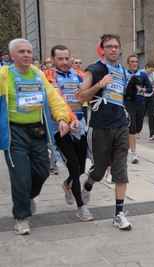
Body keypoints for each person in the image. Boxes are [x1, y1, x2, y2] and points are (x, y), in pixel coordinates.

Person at [0, 38, 70, 235]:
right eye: (21, 52)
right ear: (12, 56)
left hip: (37, 131)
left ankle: (28, 196)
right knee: (20, 177)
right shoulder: (4, 76)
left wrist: (63, 118)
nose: (26, 55)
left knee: (42, 171)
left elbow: (54, 98)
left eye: (29, 51)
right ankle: (21, 217)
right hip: (14, 134)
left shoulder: (38, 75)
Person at [76, 33, 132, 230]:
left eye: (116, 46)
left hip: (121, 125)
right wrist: (99, 85)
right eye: (109, 46)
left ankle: (118, 213)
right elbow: (81, 96)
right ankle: (89, 184)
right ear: (102, 49)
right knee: (99, 170)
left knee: (120, 169)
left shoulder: (123, 71)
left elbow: (122, 95)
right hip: (100, 127)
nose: (113, 50)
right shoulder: (94, 69)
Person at [44, 44, 93, 222]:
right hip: (60, 127)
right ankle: (81, 207)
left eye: (67, 58)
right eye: (60, 59)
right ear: (52, 60)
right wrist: (67, 117)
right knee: (73, 165)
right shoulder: (49, 75)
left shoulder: (79, 74)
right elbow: (55, 99)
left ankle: (67, 184)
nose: (65, 62)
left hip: (78, 125)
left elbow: (89, 95)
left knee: (80, 168)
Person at [124, 55, 153, 164]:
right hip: (128, 103)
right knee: (132, 128)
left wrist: (142, 89)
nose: (135, 63)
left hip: (140, 103)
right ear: (128, 63)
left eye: (136, 61)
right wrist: (127, 89)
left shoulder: (142, 74)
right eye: (132, 61)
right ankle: (134, 154)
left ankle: (126, 140)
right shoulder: (124, 73)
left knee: (138, 128)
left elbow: (150, 88)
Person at [142, 61, 154, 140]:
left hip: (150, 95)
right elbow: (143, 85)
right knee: (141, 115)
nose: (151, 72)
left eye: (153, 70)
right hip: (143, 96)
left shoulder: (152, 74)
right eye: (150, 70)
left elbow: (153, 83)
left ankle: (153, 133)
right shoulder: (142, 73)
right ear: (147, 67)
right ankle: (136, 131)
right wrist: (152, 89)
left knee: (151, 115)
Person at [71, 58, 88, 122]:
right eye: (76, 63)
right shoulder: (70, 75)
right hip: (74, 103)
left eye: (80, 63)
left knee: (84, 124)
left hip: (84, 103)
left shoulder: (85, 75)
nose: (78, 64)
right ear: (72, 65)